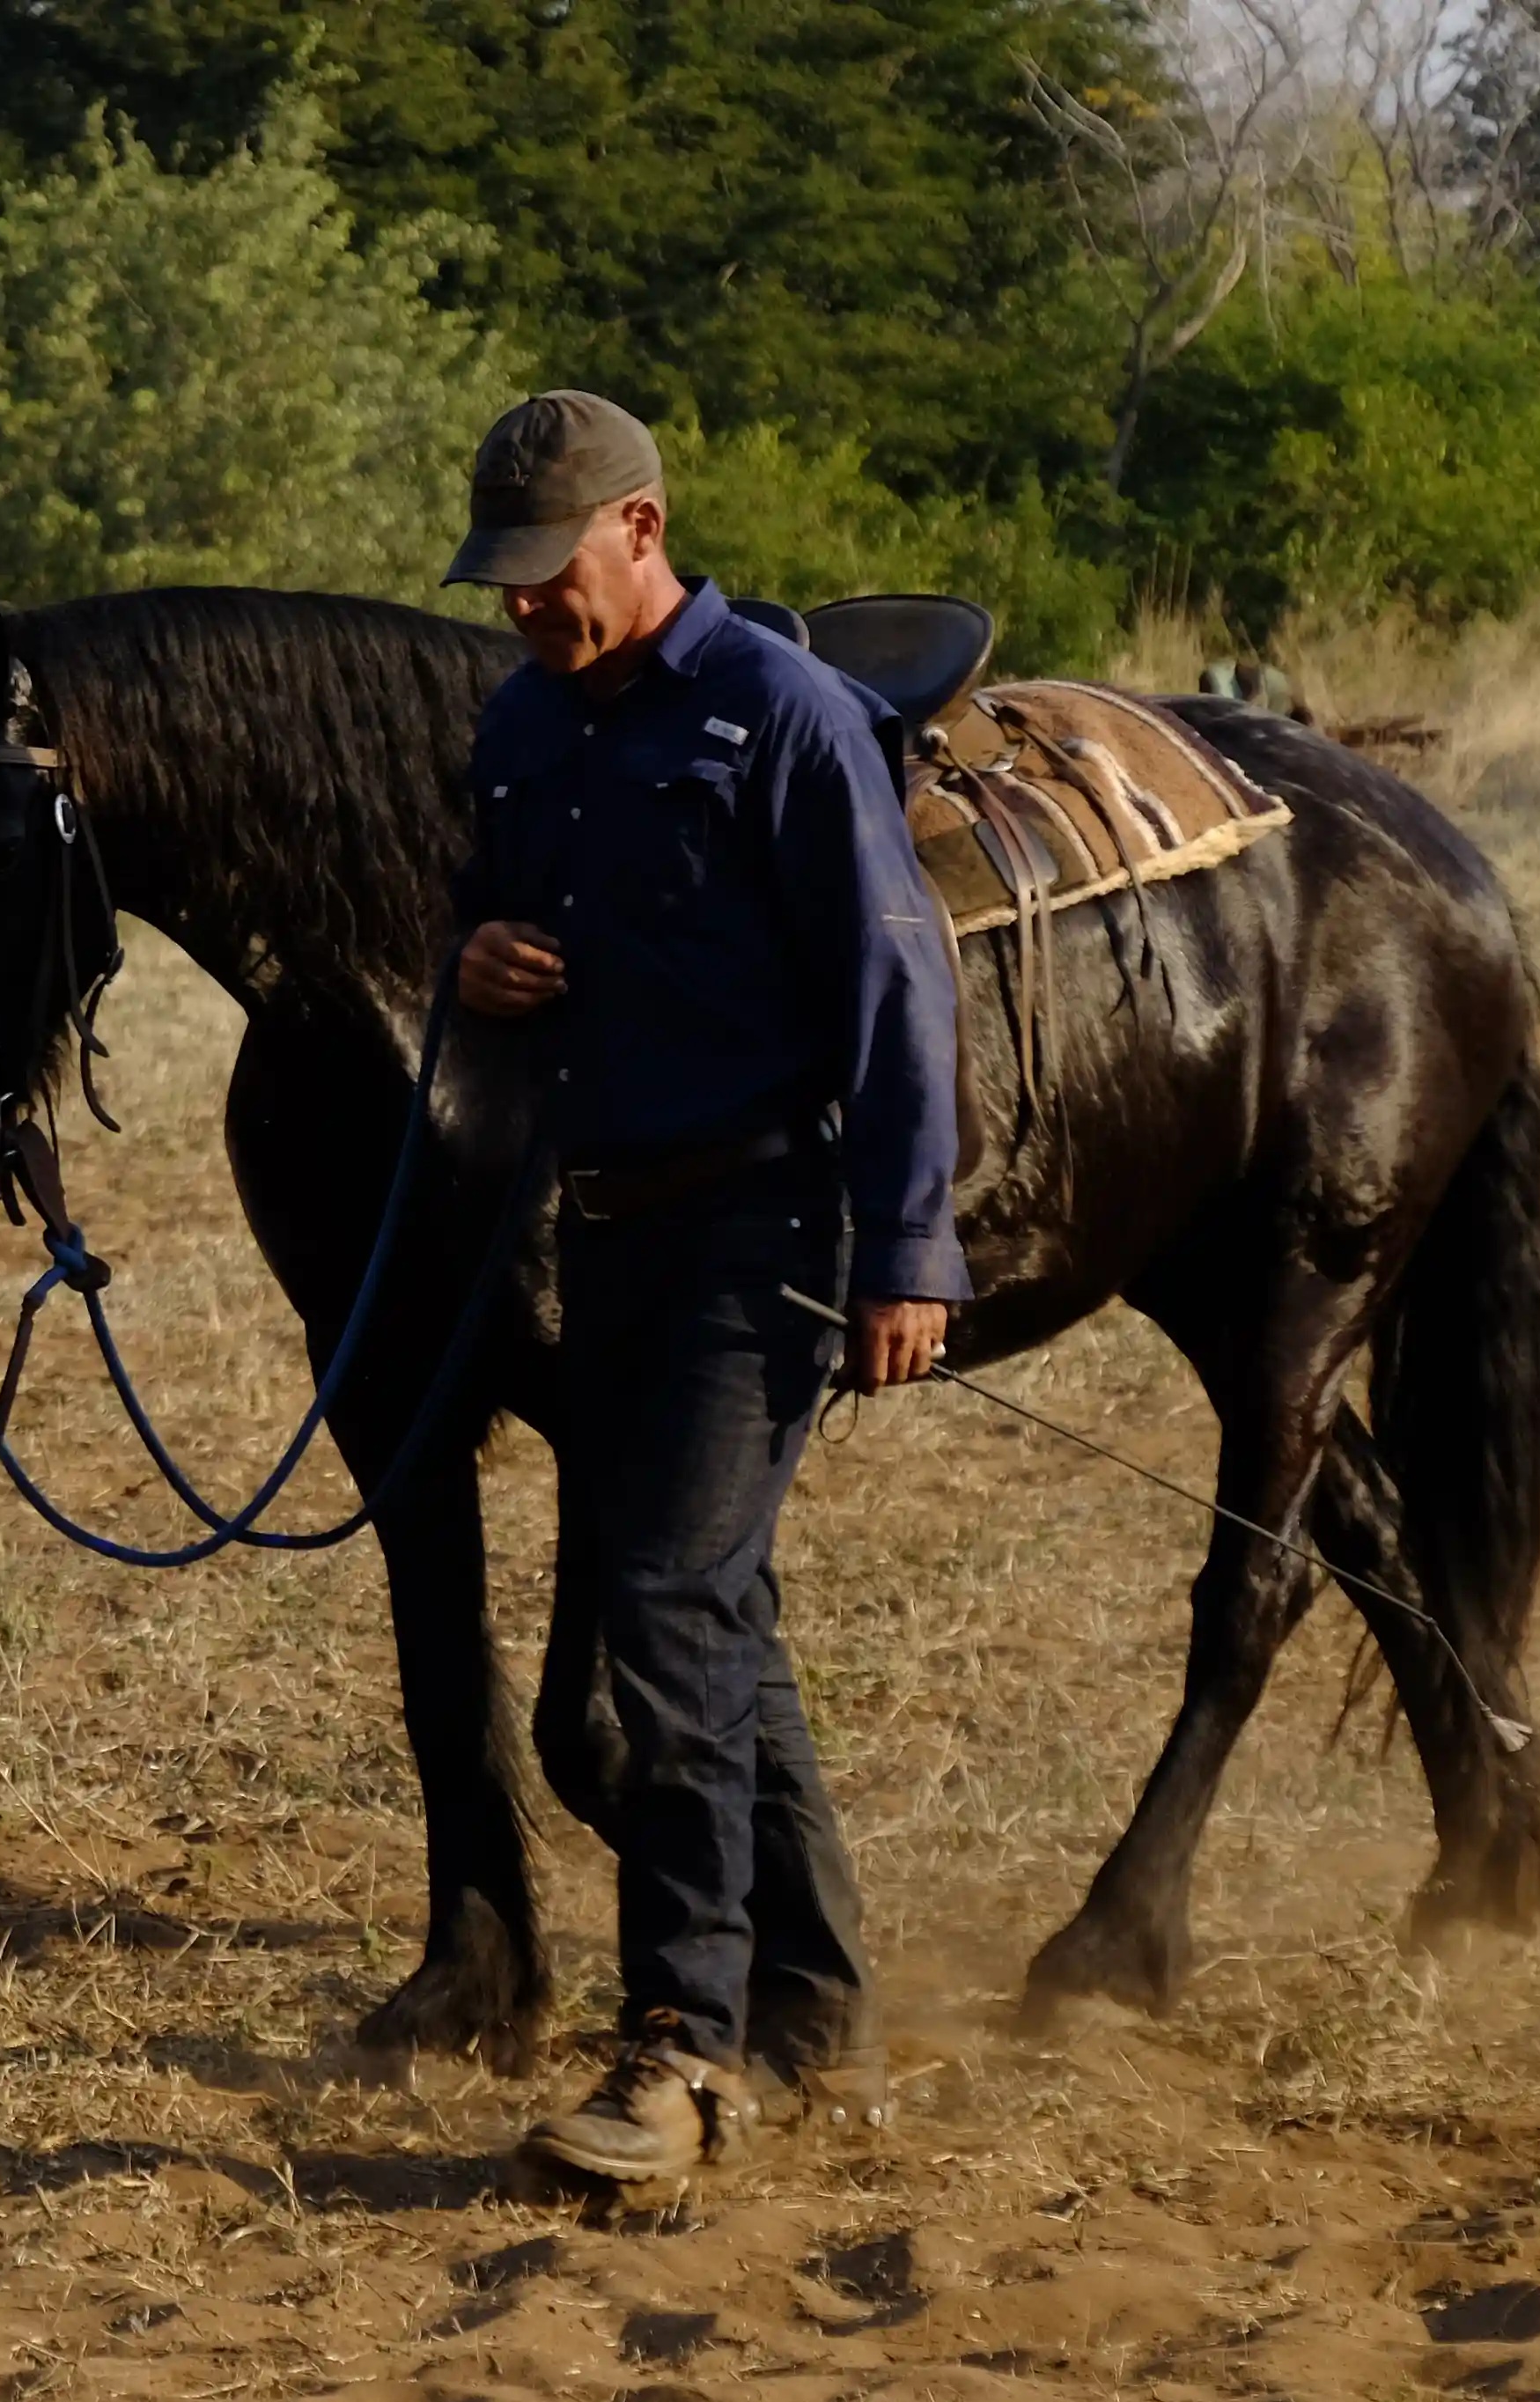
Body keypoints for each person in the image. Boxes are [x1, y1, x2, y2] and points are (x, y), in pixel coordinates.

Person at [442, 389, 971, 2184]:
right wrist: (477, 957)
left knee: (664, 1620)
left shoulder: (787, 717)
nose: (527, 603)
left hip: (768, 1233)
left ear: (644, 529)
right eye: (504, 576)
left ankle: (684, 2047)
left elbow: (900, 993)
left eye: (551, 567)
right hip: (608, 1231)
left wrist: (908, 1250)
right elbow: (483, 911)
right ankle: (818, 2015)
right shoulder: (524, 722)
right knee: (717, 1622)